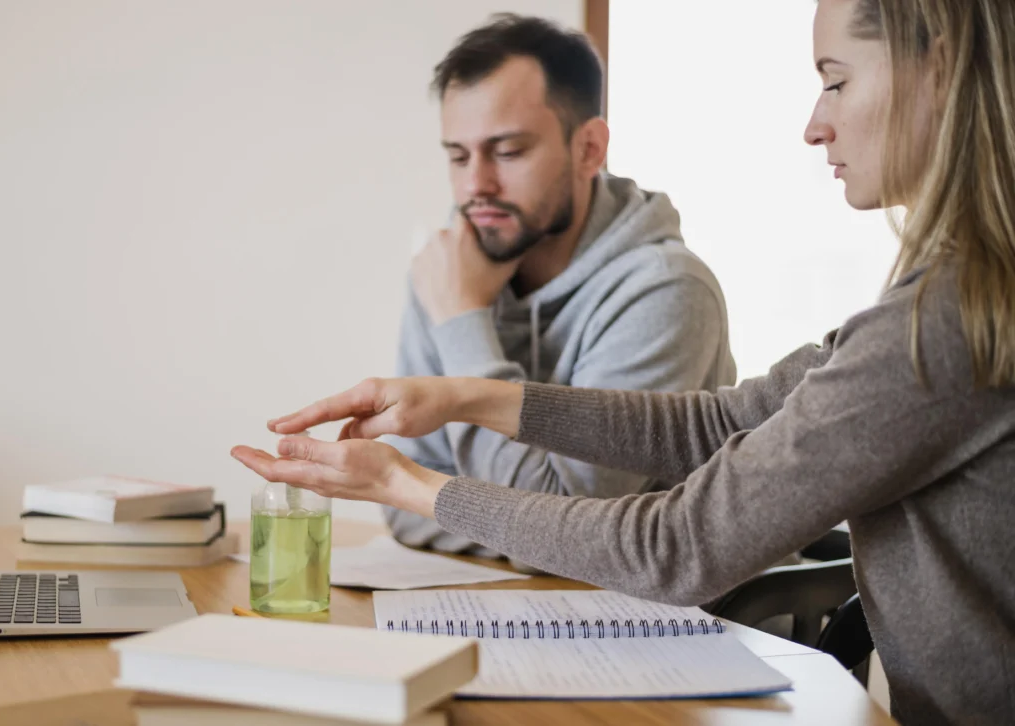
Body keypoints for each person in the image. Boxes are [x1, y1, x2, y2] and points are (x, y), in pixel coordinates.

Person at [232, 1, 1015, 724]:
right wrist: (467, 398)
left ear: (939, 69)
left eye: (835, 82)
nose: (816, 126)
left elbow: (672, 549)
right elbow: (723, 423)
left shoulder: (944, 323)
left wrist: (405, 481)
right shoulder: (938, 298)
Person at [381, 14, 736, 556]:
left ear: (589, 149)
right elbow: (402, 499)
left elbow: (570, 528)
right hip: (495, 603)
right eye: (458, 156)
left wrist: (462, 325)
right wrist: (522, 528)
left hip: (655, 626)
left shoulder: (667, 291)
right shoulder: (450, 267)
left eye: (508, 151)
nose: (475, 186)